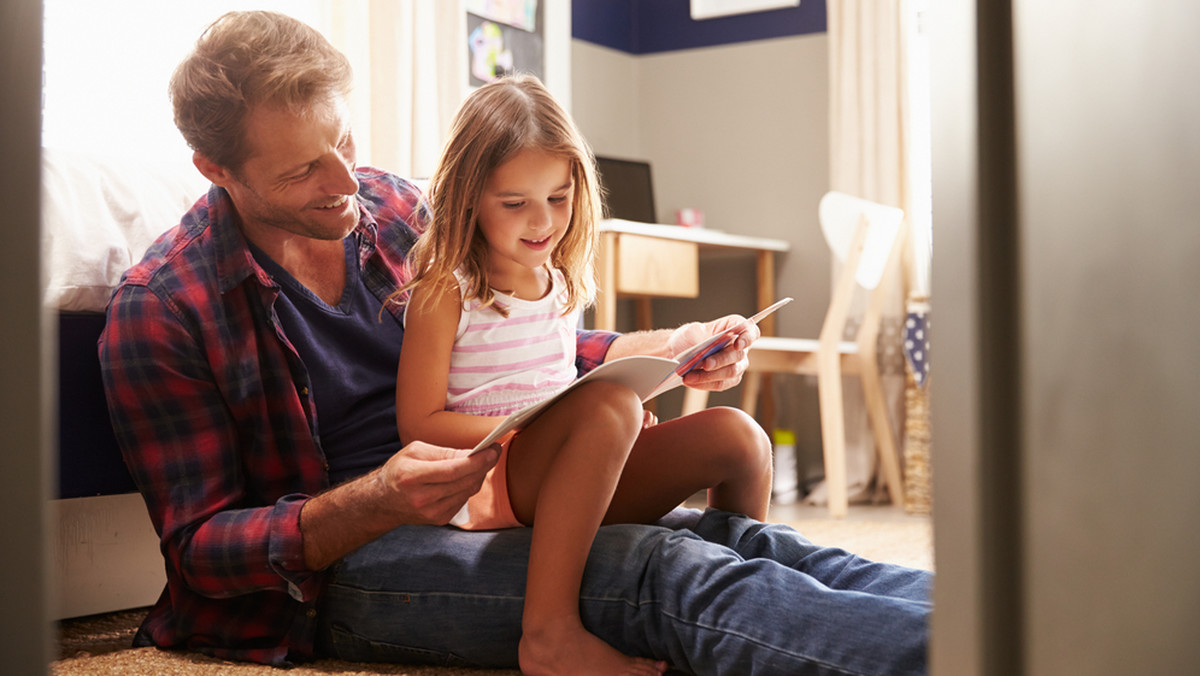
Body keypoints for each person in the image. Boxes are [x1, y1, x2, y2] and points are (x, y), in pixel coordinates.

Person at [99, 10, 932, 675]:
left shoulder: (393, 210)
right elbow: (198, 554)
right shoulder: (164, 310)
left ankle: (1023, 622)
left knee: (741, 539)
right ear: (217, 170)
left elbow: (511, 348)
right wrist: (375, 499)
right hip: (348, 566)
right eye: (302, 173)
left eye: (343, 143)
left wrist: (663, 352)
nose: (346, 182)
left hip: (505, 475)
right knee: (662, 572)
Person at [394, 74, 772, 676]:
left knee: (739, 438)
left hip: (563, 469)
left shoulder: (562, 283)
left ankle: (732, 607)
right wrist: (548, 430)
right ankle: (548, 635)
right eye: (515, 203)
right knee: (608, 409)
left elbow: (559, 379)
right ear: (469, 197)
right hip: (492, 480)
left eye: (560, 197)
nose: (542, 221)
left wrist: (611, 424)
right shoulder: (447, 290)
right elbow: (418, 422)